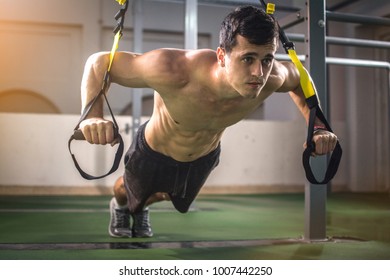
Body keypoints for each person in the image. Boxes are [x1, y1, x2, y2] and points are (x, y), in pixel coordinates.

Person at [78, 6, 338, 238]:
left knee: (166, 195)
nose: (259, 72)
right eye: (247, 58)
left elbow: (300, 80)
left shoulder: (272, 77)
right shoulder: (174, 70)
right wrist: (92, 116)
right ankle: (121, 207)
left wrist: (317, 127)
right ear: (222, 55)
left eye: (267, 59)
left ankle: (143, 206)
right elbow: (99, 63)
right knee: (130, 194)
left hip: (204, 157)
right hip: (154, 151)